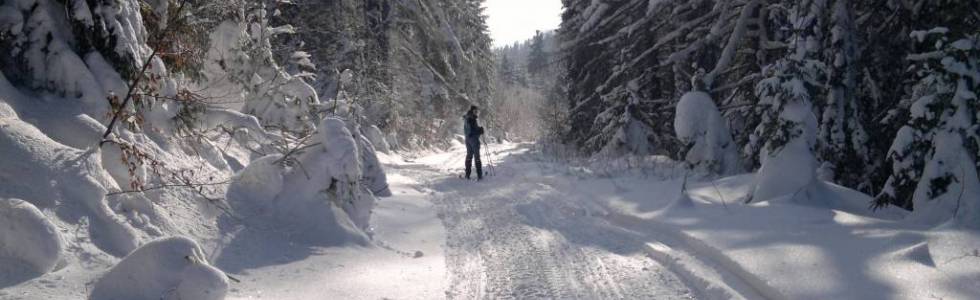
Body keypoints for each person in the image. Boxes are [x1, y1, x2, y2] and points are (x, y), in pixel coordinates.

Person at [463, 105, 484, 180]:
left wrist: (478, 129)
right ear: (472, 111)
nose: (476, 113)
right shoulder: (472, 119)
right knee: (477, 157)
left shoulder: (467, 118)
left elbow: (470, 130)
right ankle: (479, 175)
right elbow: (473, 131)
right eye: (475, 111)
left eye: (477, 112)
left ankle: (467, 174)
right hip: (473, 140)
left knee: (469, 156)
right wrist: (480, 131)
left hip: (467, 140)